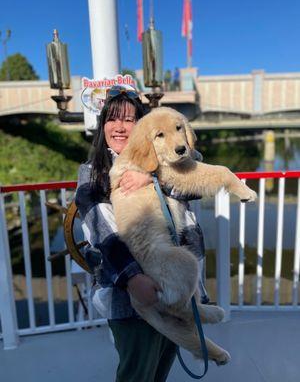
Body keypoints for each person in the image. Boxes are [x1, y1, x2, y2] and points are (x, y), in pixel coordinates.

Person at [75, 85, 209, 382]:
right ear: (102, 126)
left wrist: (153, 177)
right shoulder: (92, 171)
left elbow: (197, 179)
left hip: (174, 288)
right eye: (111, 119)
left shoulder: (164, 161)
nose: (119, 127)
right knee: (137, 374)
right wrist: (133, 278)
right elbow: (102, 231)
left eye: (129, 120)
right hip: (133, 297)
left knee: (160, 369)